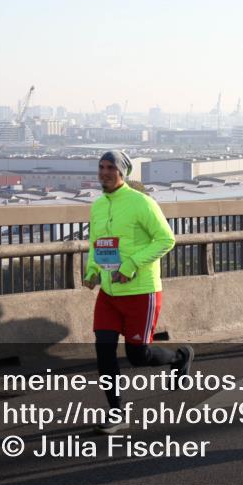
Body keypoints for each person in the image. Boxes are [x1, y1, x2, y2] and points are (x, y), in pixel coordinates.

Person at [84, 150, 193, 434]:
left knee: (137, 356)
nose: (105, 172)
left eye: (111, 168)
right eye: (101, 167)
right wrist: (92, 271)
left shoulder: (141, 202)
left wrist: (131, 265)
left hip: (141, 292)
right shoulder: (97, 206)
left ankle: (180, 357)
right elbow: (97, 244)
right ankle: (117, 412)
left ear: (123, 173)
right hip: (109, 293)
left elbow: (166, 239)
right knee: (103, 351)